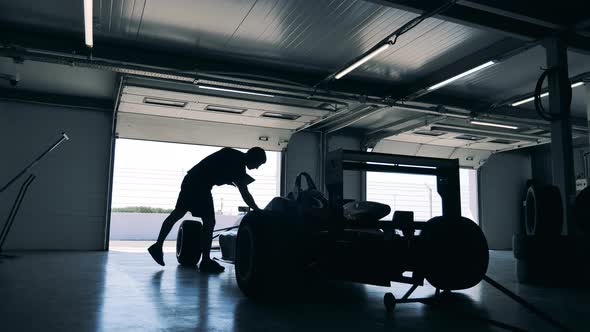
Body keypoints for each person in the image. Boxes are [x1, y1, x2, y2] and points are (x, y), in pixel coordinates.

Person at [148, 147, 267, 272]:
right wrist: (258, 210)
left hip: (192, 180)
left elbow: (220, 170)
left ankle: (157, 245)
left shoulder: (233, 155)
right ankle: (205, 261)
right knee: (209, 222)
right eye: (258, 164)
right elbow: (244, 193)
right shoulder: (238, 164)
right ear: (253, 157)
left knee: (178, 213)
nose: (257, 168)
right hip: (201, 184)